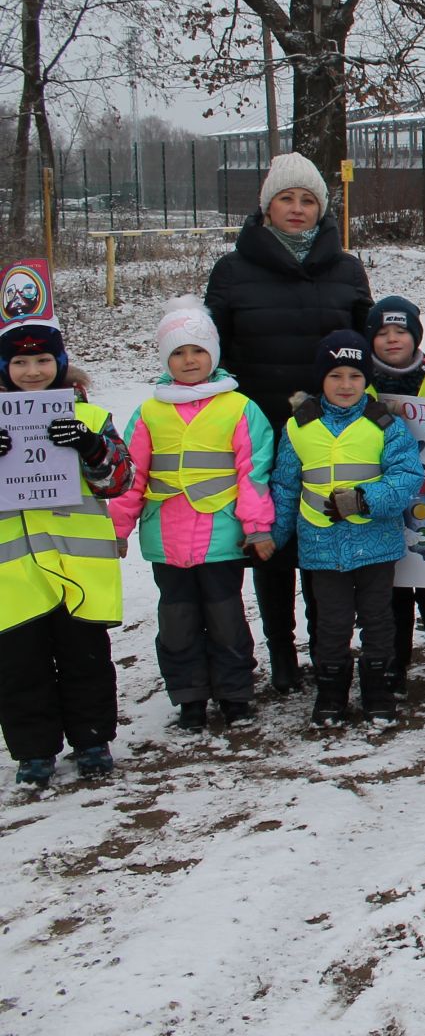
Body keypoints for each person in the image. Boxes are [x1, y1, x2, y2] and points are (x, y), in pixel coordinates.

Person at [206, 152, 371, 694]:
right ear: (266, 206)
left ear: (321, 209)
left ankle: (328, 651)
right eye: (286, 198)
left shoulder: (346, 268)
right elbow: (215, 354)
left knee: (324, 543)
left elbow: (364, 348)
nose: (297, 209)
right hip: (260, 431)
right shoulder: (232, 271)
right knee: (270, 547)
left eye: (307, 200)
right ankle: (281, 656)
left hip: (331, 430)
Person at [111, 298, 276, 733]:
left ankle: (235, 694)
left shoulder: (239, 408)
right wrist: (118, 526)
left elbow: (254, 473)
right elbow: (132, 475)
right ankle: (189, 697)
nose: (189, 360)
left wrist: (258, 528)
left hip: (222, 537)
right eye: (179, 352)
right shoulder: (149, 412)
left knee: (226, 620)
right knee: (178, 622)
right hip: (165, 538)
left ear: (213, 355)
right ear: (166, 359)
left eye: (198, 351)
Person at [0, 317, 133, 785]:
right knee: (19, 668)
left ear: (59, 363)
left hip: (79, 569)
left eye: (42, 360)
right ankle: (33, 752)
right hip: (11, 577)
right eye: (20, 362)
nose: (32, 371)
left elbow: (120, 480)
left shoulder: (90, 416)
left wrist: (91, 447)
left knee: (86, 661)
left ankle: (92, 739)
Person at [269, 332, 425, 727]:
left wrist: (365, 499)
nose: (345, 385)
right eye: (336, 376)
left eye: (354, 376)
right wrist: (274, 535)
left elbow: (407, 474)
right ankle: (331, 693)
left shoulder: (382, 423)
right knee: (330, 623)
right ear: (321, 379)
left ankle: (377, 692)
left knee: (378, 619)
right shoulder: (298, 427)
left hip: (375, 542)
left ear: (365, 380)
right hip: (321, 545)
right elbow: (286, 485)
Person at [363, 296, 425, 693]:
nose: (392, 339)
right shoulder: (359, 386)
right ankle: (393, 665)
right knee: (391, 590)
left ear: (415, 337)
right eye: (383, 333)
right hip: (382, 501)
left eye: (400, 331)